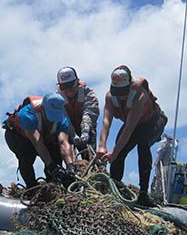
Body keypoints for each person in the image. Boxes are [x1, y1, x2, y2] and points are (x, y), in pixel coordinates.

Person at [97, 65, 168, 207]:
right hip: (134, 125)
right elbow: (106, 122)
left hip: (152, 121)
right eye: (117, 91)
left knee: (142, 143)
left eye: (123, 91)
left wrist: (114, 152)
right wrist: (102, 145)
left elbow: (129, 127)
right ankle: (115, 189)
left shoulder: (140, 94)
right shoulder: (110, 97)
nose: (121, 95)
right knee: (119, 153)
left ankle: (143, 194)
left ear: (130, 84)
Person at [3, 93, 76, 188]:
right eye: (50, 115)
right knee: (27, 155)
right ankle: (31, 187)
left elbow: (63, 142)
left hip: (43, 136)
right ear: (42, 108)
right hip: (19, 136)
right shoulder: (27, 114)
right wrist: (52, 167)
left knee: (56, 154)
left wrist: (70, 166)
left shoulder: (62, 119)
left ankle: (52, 185)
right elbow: (37, 143)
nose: (52, 120)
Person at [56, 66, 99, 159]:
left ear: (77, 81)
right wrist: (72, 134)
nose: (68, 90)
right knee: (66, 152)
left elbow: (89, 113)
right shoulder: (57, 99)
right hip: (68, 129)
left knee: (89, 156)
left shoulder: (88, 93)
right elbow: (63, 118)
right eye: (65, 87)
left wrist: (85, 131)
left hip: (86, 128)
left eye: (71, 86)